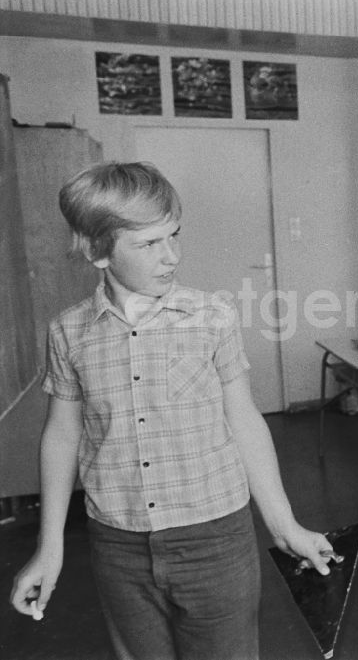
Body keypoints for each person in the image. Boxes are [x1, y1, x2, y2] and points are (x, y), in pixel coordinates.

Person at [8, 162, 333, 660]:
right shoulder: (68, 331)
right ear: (97, 251)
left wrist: (284, 522)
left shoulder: (212, 317)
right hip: (119, 545)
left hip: (215, 540)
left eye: (174, 236)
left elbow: (243, 419)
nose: (172, 256)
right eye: (148, 244)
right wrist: (50, 544)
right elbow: (61, 436)